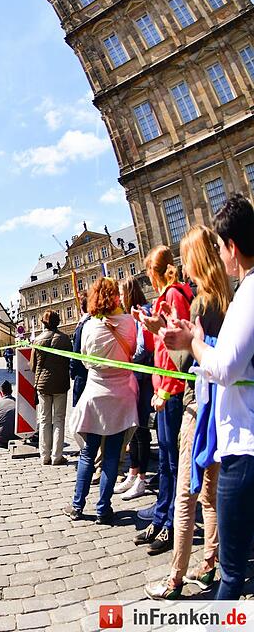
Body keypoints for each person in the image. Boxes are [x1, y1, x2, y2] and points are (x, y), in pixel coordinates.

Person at [162, 194, 254, 601]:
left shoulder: (244, 296)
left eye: (220, 246)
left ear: (231, 248)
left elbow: (225, 367)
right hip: (237, 435)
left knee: (232, 576)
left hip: (243, 442)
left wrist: (191, 344)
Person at [145, 225, 230, 600]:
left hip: (200, 405)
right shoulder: (233, 295)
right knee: (210, 494)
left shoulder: (199, 303)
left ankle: (175, 578)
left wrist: (162, 331)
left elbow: (188, 358)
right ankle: (212, 563)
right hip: (225, 406)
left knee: (185, 493)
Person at [132, 246, 193, 554]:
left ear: (154, 273)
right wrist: (147, 323)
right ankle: (161, 516)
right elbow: (162, 340)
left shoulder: (174, 296)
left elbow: (176, 350)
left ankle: (170, 524)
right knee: (168, 463)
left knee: (171, 463)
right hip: (165, 390)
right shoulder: (168, 295)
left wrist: (165, 390)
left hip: (171, 392)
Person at [65, 277, 138, 525]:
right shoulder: (130, 322)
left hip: (96, 393)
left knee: (88, 453)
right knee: (111, 456)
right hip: (121, 397)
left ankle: (77, 506)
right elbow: (133, 354)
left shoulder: (89, 326)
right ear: (116, 296)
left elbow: (84, 361)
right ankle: (103, 509)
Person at [115, 279, 154, 501]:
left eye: (121, 293)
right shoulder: (133, 313)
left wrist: (125, 359)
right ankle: (133, 473)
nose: (119, 298)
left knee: (141, 429)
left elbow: (143, 348)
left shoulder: (142, 312)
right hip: (135, 377)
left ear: (129, 293)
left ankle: (141, 478)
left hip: (143, 378)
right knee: (135, 429)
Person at [31, 310, 72, 465]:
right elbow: (70, 361)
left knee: (44, 420)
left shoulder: (37, 340)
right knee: (59, 419)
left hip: (43, 384)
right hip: (61, 383)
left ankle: (44, 456)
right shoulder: (65, 339)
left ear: (43, 323)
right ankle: (56, 456)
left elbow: (33, 365)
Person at [70, 292, 90, 406]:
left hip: (82, 375)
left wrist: (72, 373)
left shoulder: (81, 325)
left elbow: (75, 353)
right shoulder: (100, 321)